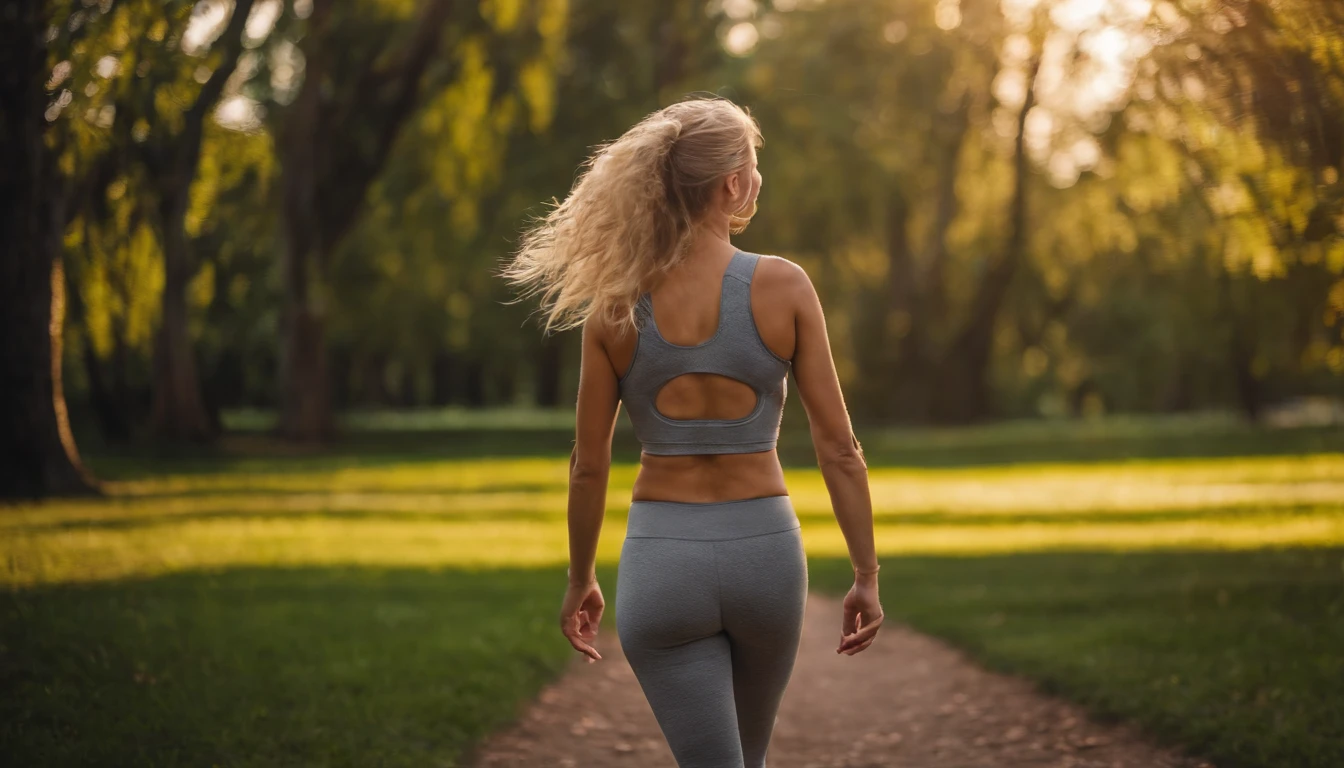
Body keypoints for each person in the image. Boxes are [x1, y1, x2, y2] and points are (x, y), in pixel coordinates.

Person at [500, 95, 883, 768]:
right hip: (765, 557)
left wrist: (579, 577)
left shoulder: (614, 304)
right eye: (754, 164)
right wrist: (865, 574)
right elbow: (840, 450)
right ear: (731, 182)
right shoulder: (785, 286)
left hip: (662, 562)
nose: (759, 178)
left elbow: (589, 466)